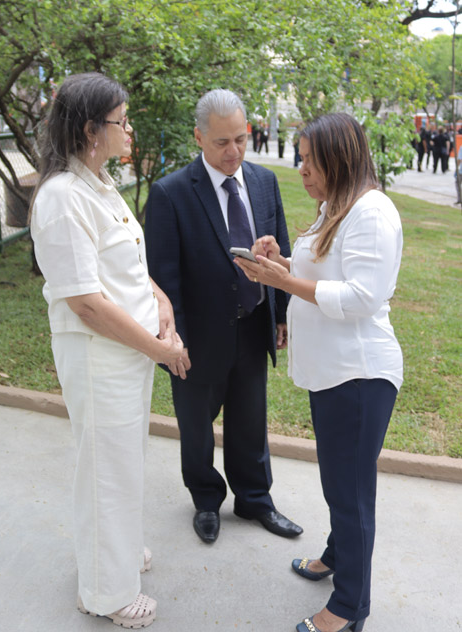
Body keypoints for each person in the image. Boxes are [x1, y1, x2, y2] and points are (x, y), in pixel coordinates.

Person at [235, 113, 403, 632]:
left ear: (338, 157)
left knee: (351, 492)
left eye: (309, 159)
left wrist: (283, 284)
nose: (301, 168)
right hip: (332, 372)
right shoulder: (335, 207)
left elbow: (360, 297)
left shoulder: (371, 212)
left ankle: (350, 606)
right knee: (339, 483)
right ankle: (336, 555)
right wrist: (280, 264)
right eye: (300, 158)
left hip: (358, 375)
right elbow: (323, 275)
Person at [30, 72, 184, 628]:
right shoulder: (61, 198)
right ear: (92, 129)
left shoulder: (98, 184)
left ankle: (113, 556)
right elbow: (87, 303)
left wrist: (160, 302)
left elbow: (127, 268)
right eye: (122, 120)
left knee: (122, 463)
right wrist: (161, 349)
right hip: (101, 355)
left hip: (128, 353)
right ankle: (104, 591)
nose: (130, 129)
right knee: (104, 470)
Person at [145, 89, 303, 545]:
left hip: (253, 325)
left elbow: (282, 252)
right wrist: (176, 342)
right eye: (221, 142)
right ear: (198, 137)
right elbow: (162, 279)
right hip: (197, 336)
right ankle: (206, 500)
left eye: (240, 138)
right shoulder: (171, 193)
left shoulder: (264, 181)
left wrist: (281, 313)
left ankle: (255, 499)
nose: (233, 151)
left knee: (251, 421)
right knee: (196, 426)